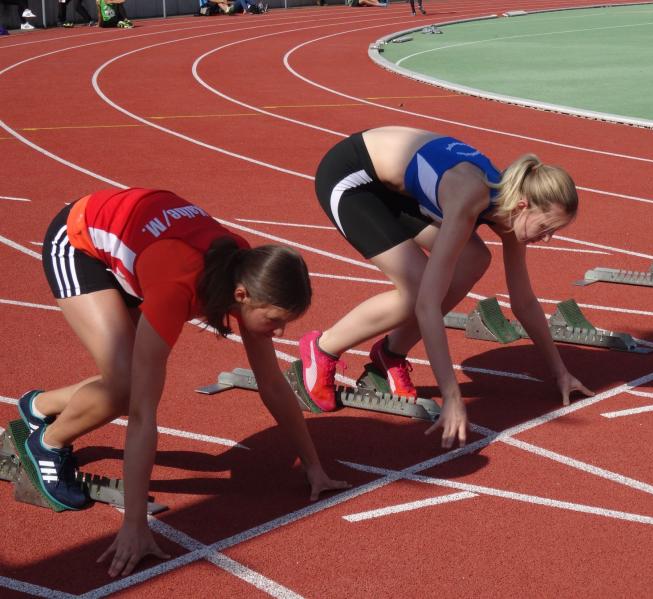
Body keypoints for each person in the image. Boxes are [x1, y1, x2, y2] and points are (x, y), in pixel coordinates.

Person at [19, 188, 348, 577]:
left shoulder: (248, 271)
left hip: (143, 250)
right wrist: (135, 524)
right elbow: (142, 415)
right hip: (79, 242)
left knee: (125, 379)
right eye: (275, 321)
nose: (279, 333)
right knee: (127, 388)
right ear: (241, 296)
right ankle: (47, 443)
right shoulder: (178, 288)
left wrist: (313, 466)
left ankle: (38, 406)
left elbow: (272, 383)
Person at [299, 126, 594, 449]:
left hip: (397, 191)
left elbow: (523, 301)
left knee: (473, 259)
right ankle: (323, 348)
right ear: (523, 205)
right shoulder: (469, 196)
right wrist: (451, 395)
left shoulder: (511, 213)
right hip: (352, 176)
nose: (548, 239)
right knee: (417, 290)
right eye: (546, 227)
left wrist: (560, 372)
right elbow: (427, 305)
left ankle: (390, 353)